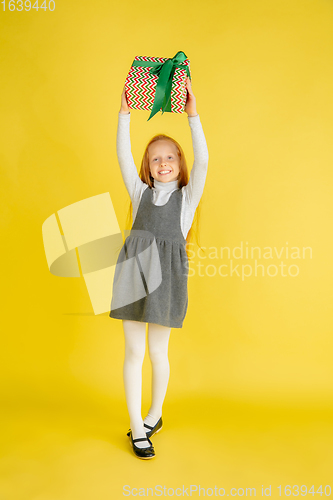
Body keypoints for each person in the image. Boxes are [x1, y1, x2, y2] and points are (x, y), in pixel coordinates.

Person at [109, 77, 209, 459]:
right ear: (147, 168)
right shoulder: (139, 193)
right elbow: (121, 155)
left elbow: (203, 160)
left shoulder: (187, 200)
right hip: (133, 274)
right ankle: (137, 429)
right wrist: (124, 114)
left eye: (170, 156)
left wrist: (193, 116)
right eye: (155, 158)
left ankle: (154, 414)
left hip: (167, 281)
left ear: (179, 164)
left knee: (157, 354)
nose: (163, 162)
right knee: (133, 352)